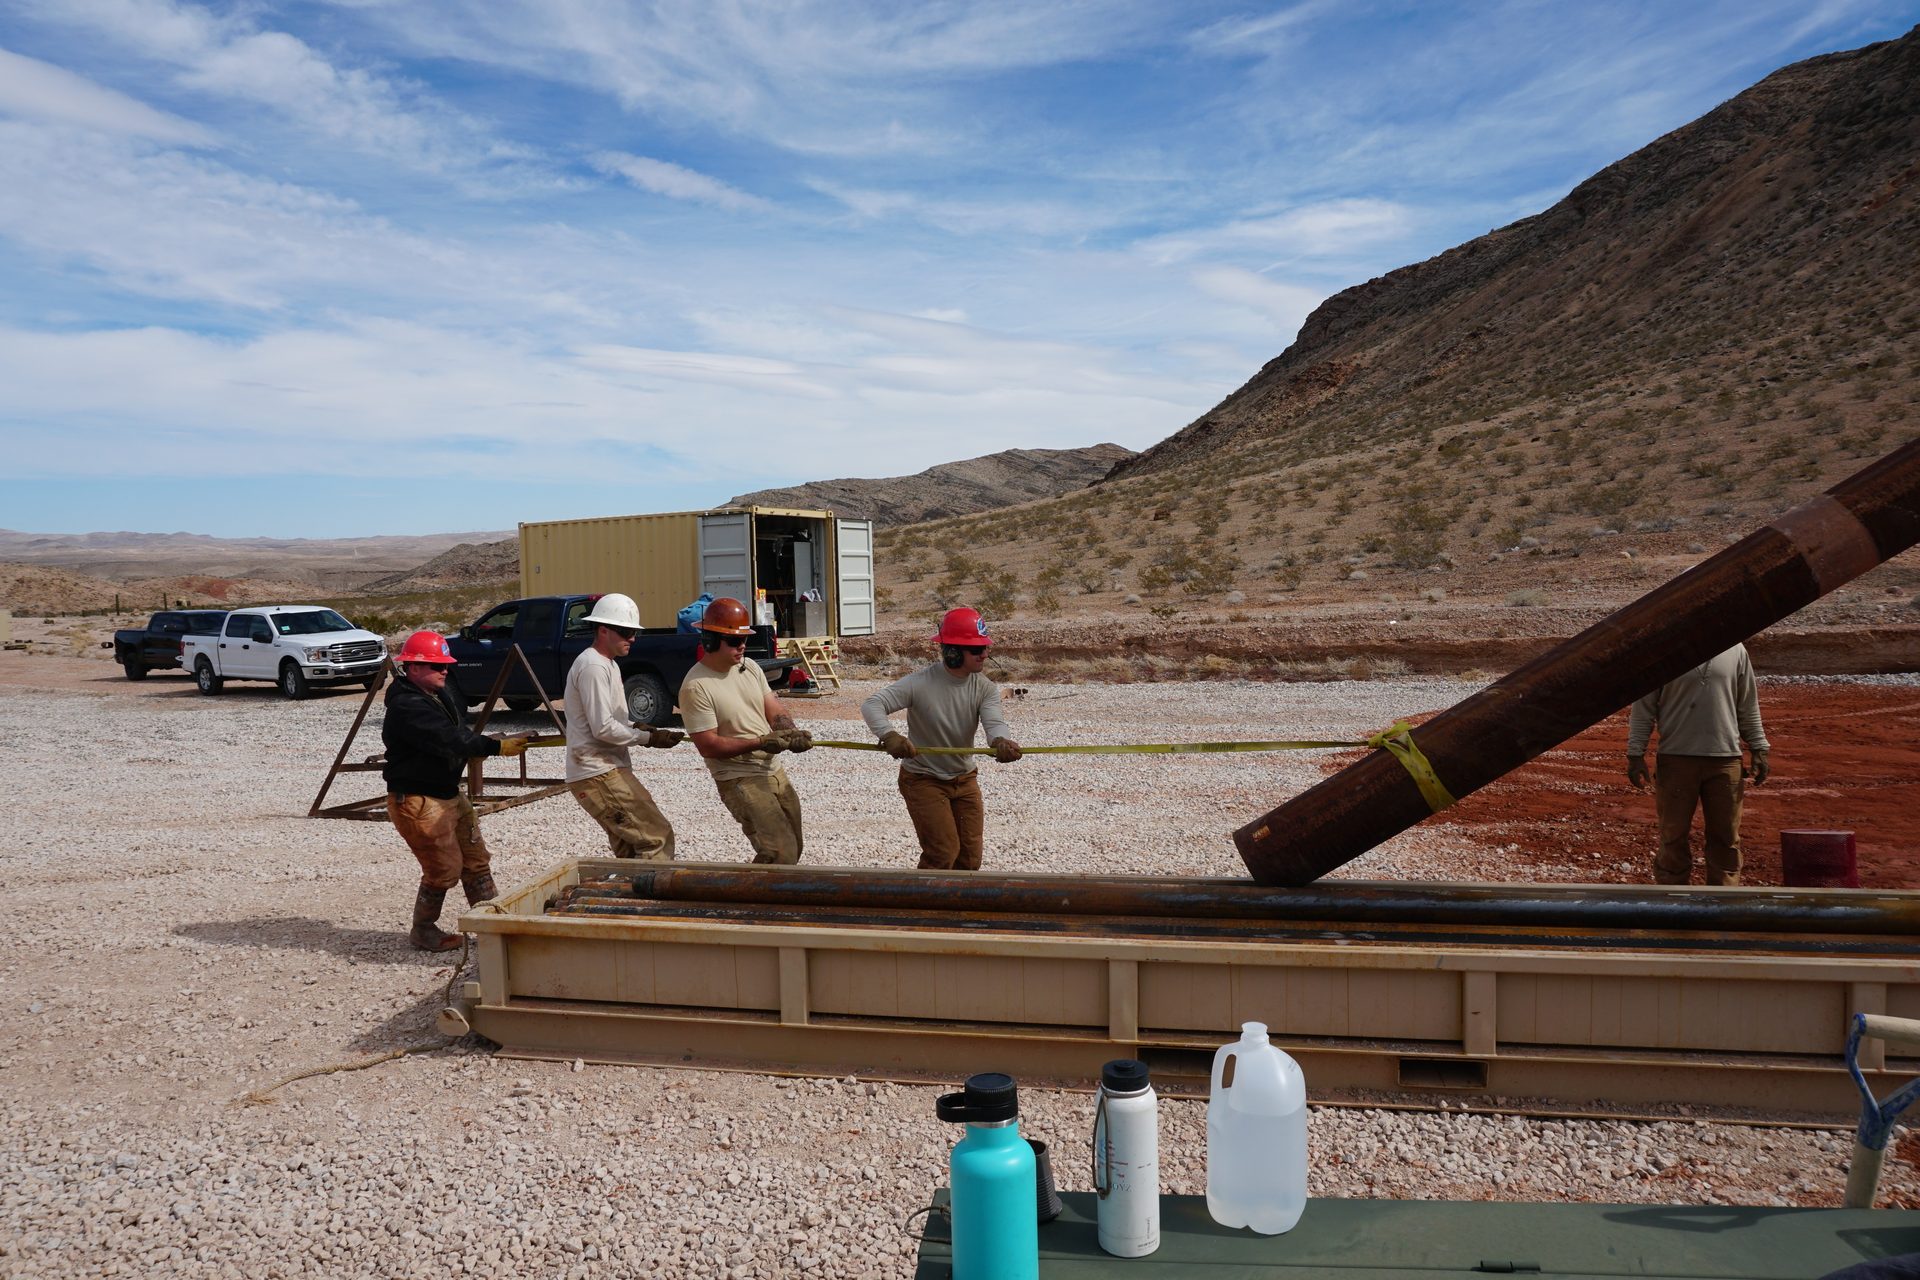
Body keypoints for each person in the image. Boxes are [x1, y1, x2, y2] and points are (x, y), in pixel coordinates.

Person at [382, 630, 527, 951]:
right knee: (443, 869)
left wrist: (481, 746)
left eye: (446, 665)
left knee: (476, 861)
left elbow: (458, 734)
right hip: (418, 799)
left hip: (446, 793)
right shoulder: (407, 706)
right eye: (437, 666)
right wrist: (494, 747)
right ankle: (423, 930)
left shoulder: (437, 695)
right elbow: (449, 739)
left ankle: (493, 926)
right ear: (413, 668)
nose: (445, 671)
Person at [861, 607, 1021, 871]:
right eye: (976, 649)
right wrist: (888, 735)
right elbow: (872, 704)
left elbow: (994, 723)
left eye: (985, 647)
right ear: (953, 652)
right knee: (942, 853)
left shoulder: (985, 687)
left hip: (965, 779)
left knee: (970, 860)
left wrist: (1000, 741)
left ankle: (955, 899)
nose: (984, 654)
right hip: (923, 779)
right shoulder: (920, 683)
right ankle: (925, 898)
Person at [679, 597, 812, 864]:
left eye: (744, 640)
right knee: (781, 853)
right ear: (710, 640)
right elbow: (708, 745)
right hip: (739, 778)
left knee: (793, 848)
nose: (741, 646)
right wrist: (760, 742)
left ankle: (759, 886)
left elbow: (773, 709)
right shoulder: (696, 686)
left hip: (772, 769)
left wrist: (791, 732)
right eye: (733, 641)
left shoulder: (749, 667)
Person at [1626, 642, 1771, 886]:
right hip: (1676, 760)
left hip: (1726, 761)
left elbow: (1747, 704)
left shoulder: (1736, 650)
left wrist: (1759, 747)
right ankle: (1672, 897)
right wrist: (1635, 754)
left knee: (1726, 838)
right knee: (1672, 836)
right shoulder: (1662, 651)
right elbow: (1643, 709)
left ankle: (1723, 899)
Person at [563, 592, 683, 861]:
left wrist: (639, 727)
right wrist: (647, 738)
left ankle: (629, 887)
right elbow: (603, 728)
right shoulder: (593, 666)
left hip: (601, 770)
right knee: (656, 837)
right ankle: (653, 888)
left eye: (634, 632)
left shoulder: (608, 665)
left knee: (629, 849)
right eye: (626, 632)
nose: (632, 638)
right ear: (603, 630)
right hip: (598, 771)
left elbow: (608, 720)